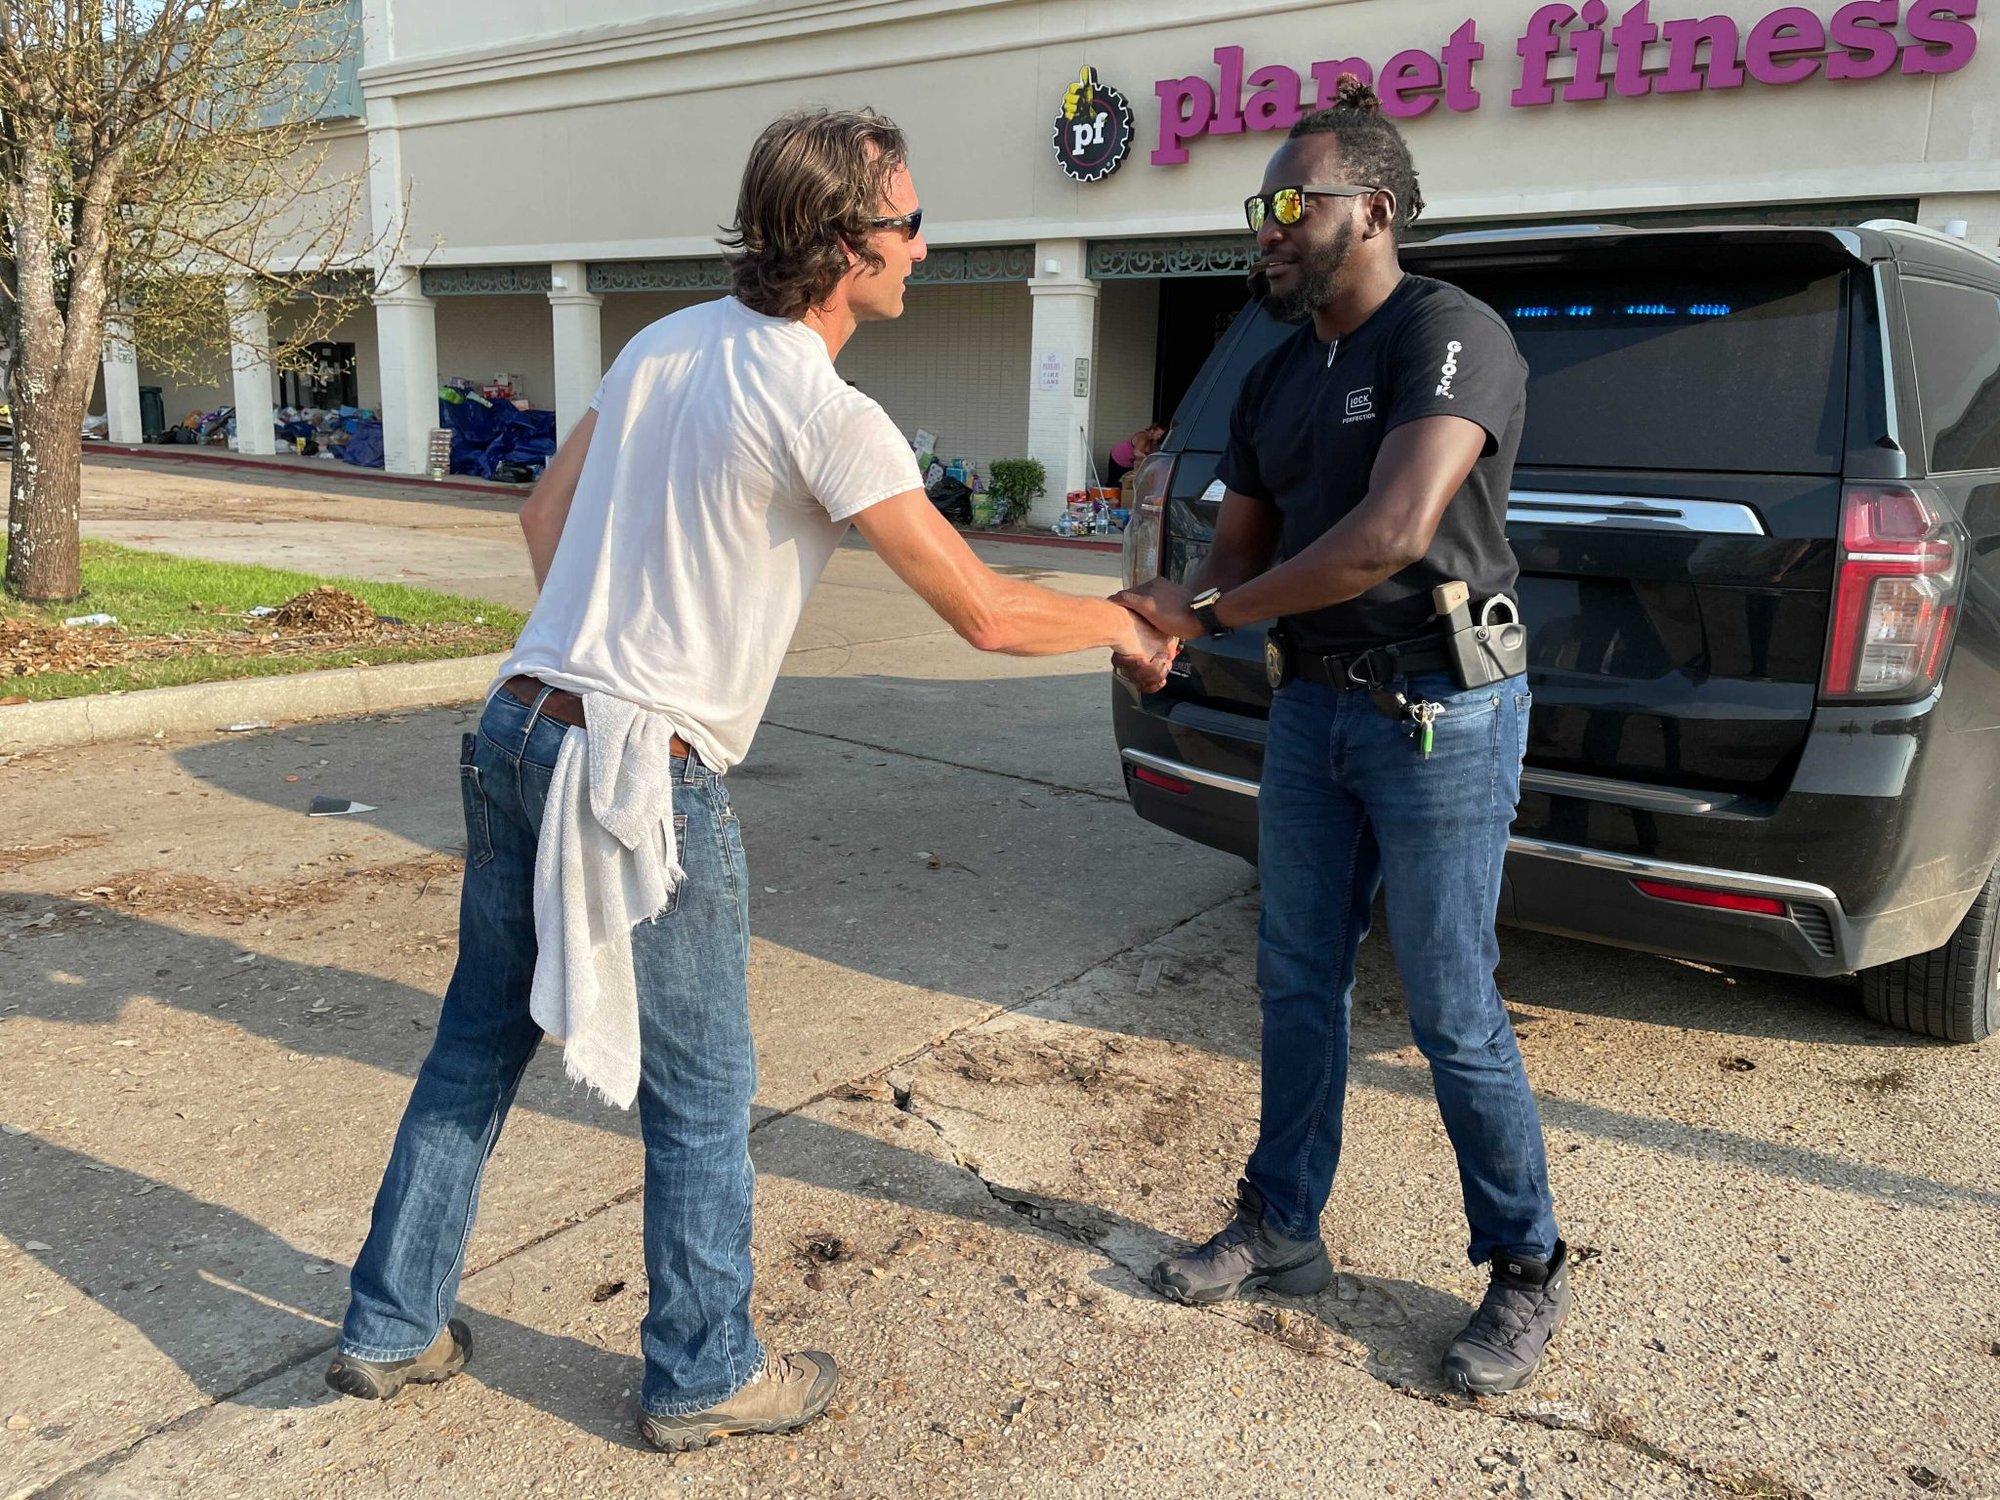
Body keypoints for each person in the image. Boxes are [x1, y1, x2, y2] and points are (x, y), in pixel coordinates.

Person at [324, 107, 1174, 1451]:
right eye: (906, 224)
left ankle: (389, 1323)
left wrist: (608, 649)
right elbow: (988, 614)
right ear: (845, 246)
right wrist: (1129, 625)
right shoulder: (824, 408)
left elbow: (545, 515)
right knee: (705, 1090)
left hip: (523, 723)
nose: (922, 244)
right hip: (635, 761)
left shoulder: (662, 346)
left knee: (476, 1043)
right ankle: (705, 1371)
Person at [1114, 78, 1569, 1396]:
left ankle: (1528, 1265)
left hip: (1443, 713)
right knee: (1296, 979)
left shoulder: (1449, 335)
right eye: (1256, 208)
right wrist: (1161, 626)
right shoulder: (1273, 375)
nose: (1262, 228)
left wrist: (1207, 609)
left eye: (1284, 204)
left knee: (1450, 1005)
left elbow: (1387, 534)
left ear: (1369, 207)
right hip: (1313, 707)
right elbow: (1237, 552)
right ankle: (1282, 1223)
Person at [1105, 421, 1165, 485]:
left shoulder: (1152, 442)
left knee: (1126, 482)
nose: (1159, 437)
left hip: (1128, 462)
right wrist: (1148, 458)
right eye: (1158, 434)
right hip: (1118, 456)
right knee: (1114, 482)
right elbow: (1136, 452)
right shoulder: (1143, 437)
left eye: (1161, 435)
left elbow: (1153, 453)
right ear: (1153, 430)